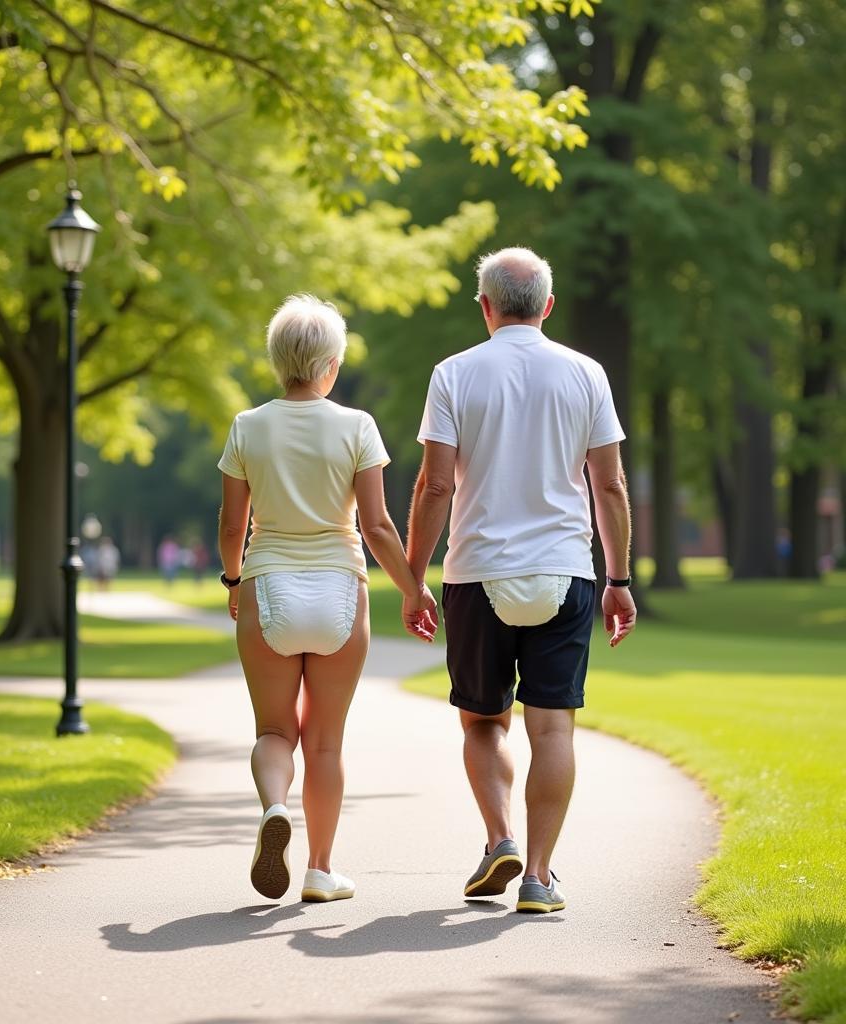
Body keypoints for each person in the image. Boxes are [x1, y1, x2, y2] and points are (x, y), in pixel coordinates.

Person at [404, 246, 636, 913]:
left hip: (477, 573)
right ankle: (538, 875)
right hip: (564, 571)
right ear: (548, 307)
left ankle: (499, 837)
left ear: (485, 306)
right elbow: (610, 483)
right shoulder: (586, 373)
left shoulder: (453, 374)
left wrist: (415, 579)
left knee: (483, 723)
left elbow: (435, 484)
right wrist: (617, 578)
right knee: (553, 729)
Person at [218, 294, 437, 904]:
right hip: (341, 589)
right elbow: (378, 527)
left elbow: (233, 527)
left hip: (268, 587)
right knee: (326, 741)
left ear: (276, 360)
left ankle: (274, 808)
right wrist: (414, 589)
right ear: (332, 364)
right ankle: (319, 869)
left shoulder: (247, 427)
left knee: (274, 731)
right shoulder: (357, 426)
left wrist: (233, 580)